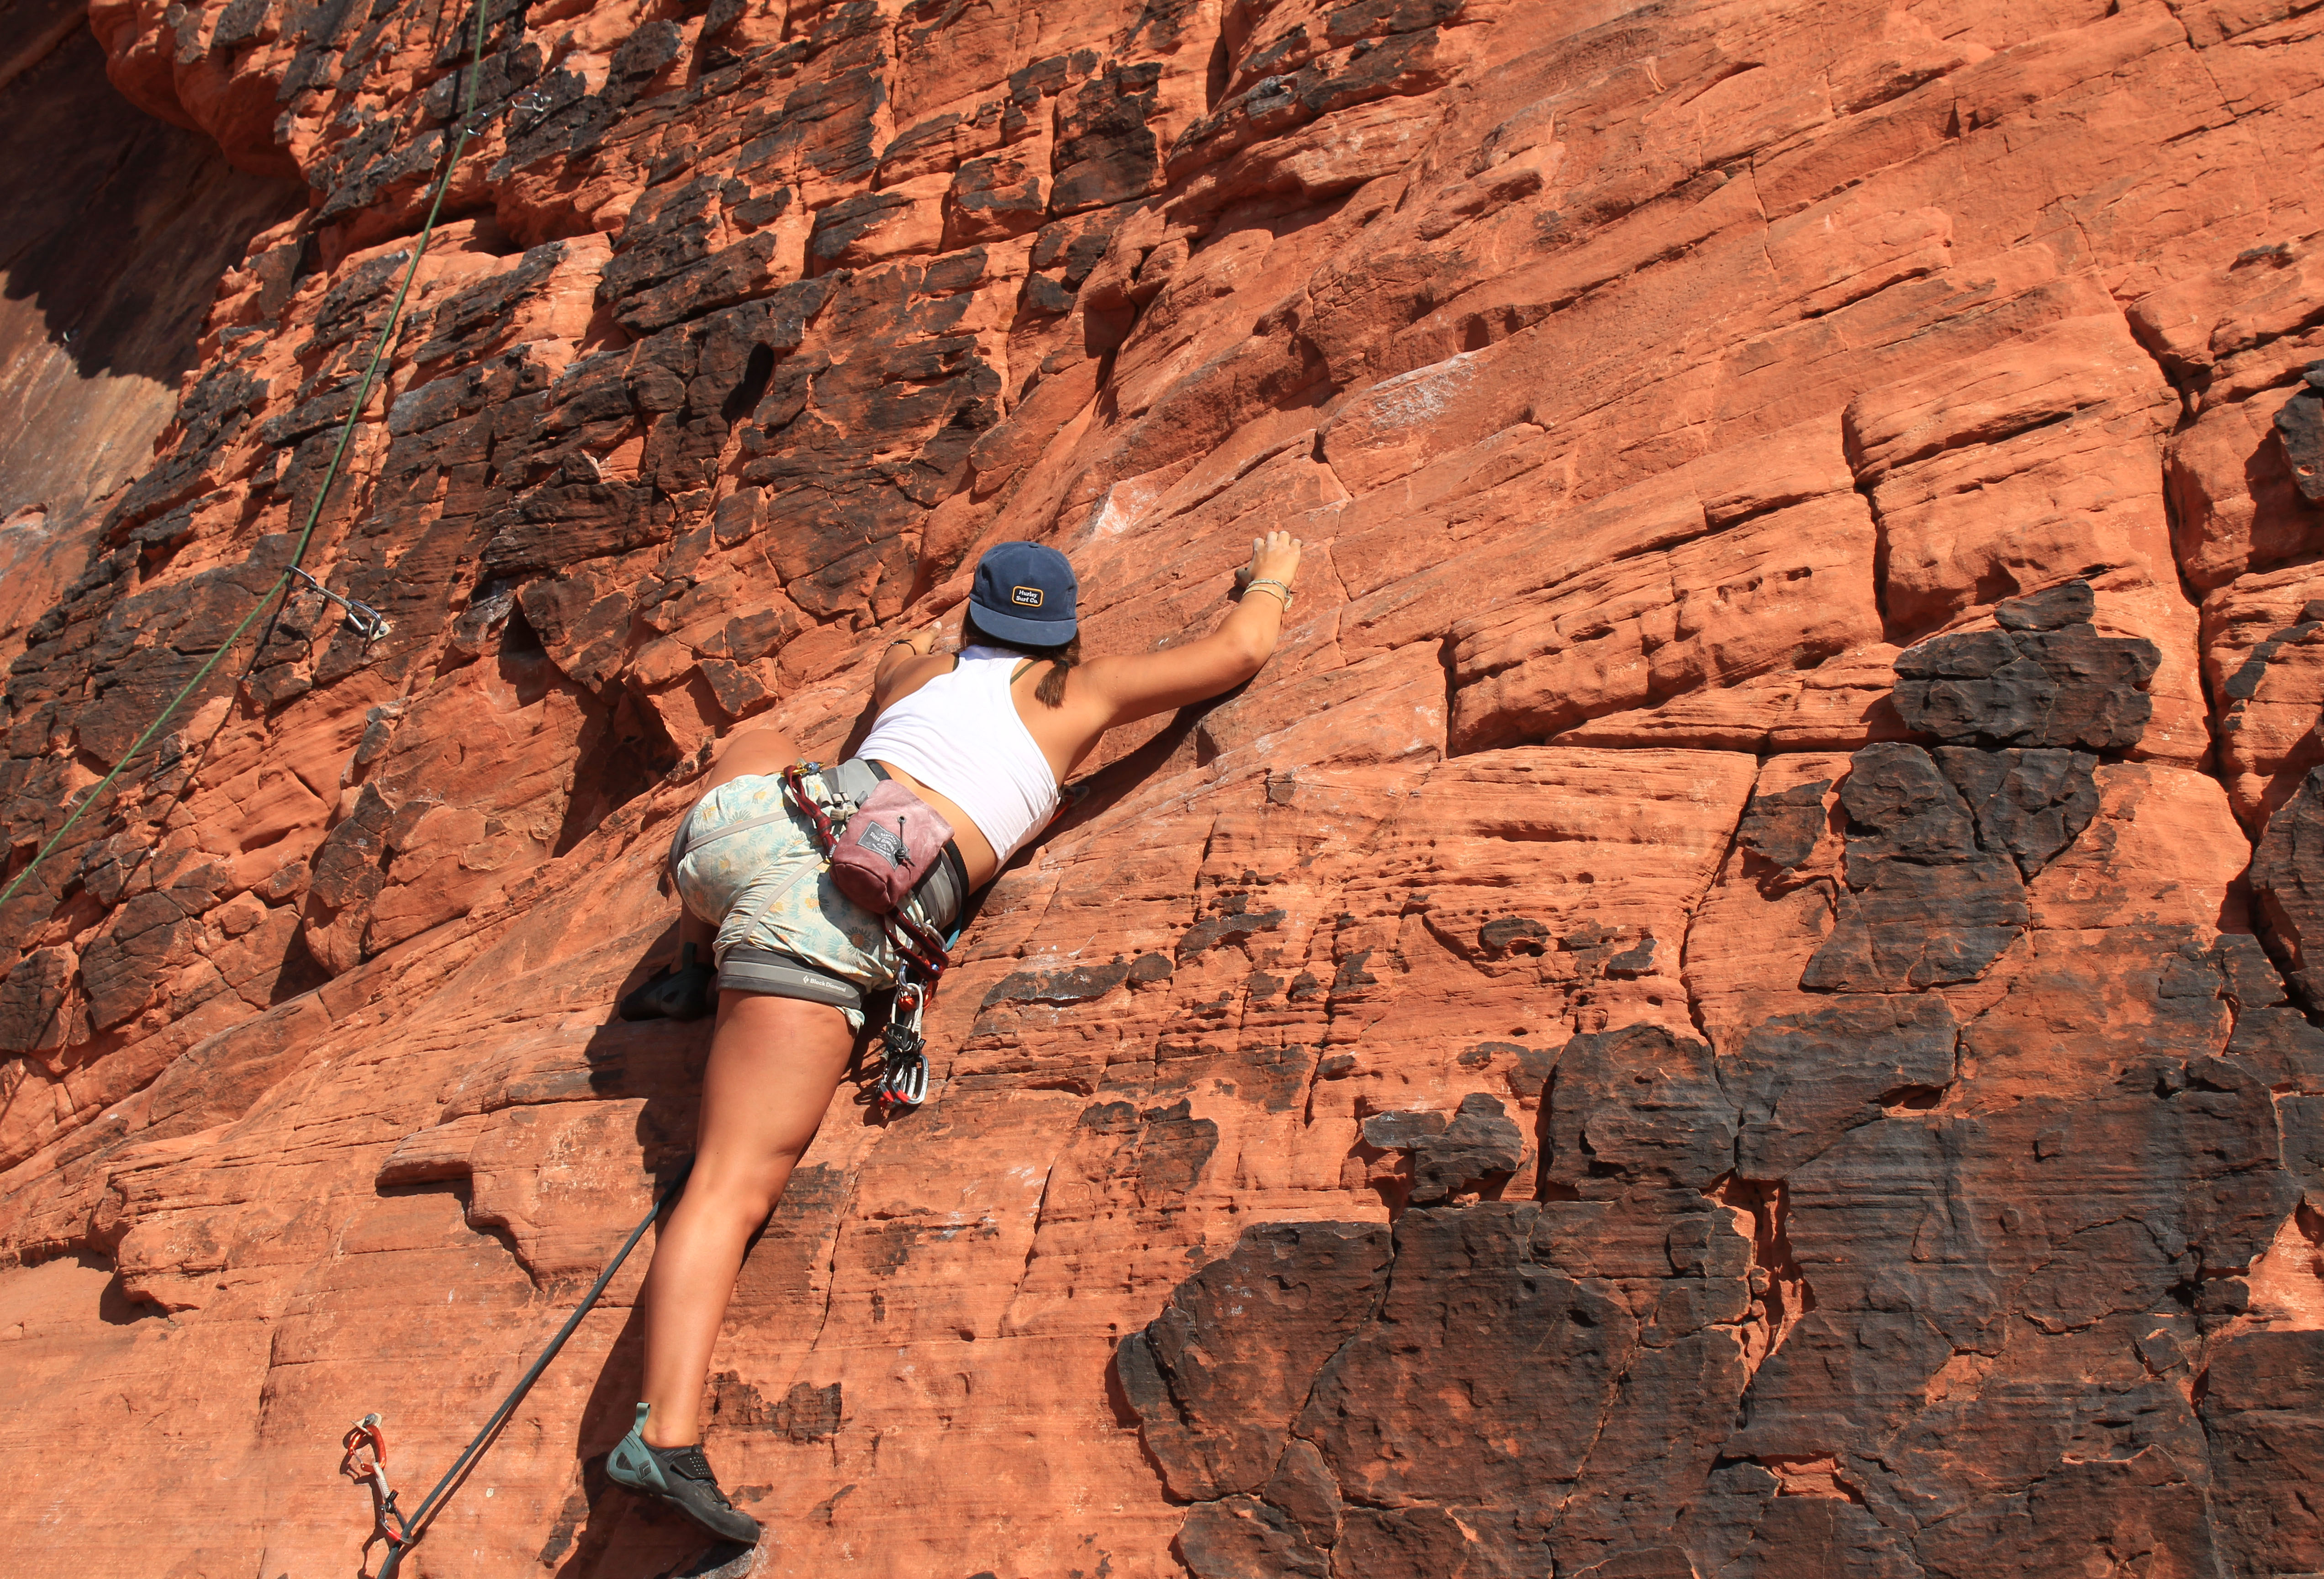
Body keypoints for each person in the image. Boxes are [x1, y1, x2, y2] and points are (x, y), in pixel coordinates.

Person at [604, 530, 1306, 1544]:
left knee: (753, 751)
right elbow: (1241, 653)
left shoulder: (923, 671)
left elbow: (895, 658)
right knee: (729, 1183)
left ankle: (689, 956)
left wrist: (915, 655)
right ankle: (662, 1435)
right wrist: (1272, 573)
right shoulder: (1085, 694)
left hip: (749, 828)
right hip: (839, 906)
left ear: (975, 623)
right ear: (1062, 638)